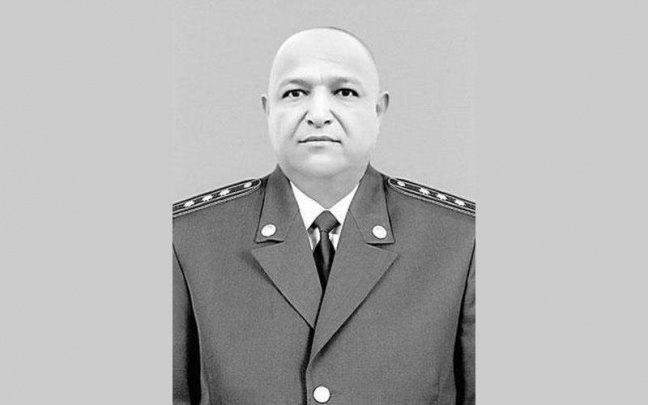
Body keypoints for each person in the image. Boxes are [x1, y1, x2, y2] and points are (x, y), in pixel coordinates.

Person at [173, 27, 475, 405]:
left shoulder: (460, 240)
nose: (318, 115)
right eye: (295, 93)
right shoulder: (190, 239)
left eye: (344, 92)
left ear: (378, 110)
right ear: (268, 110)